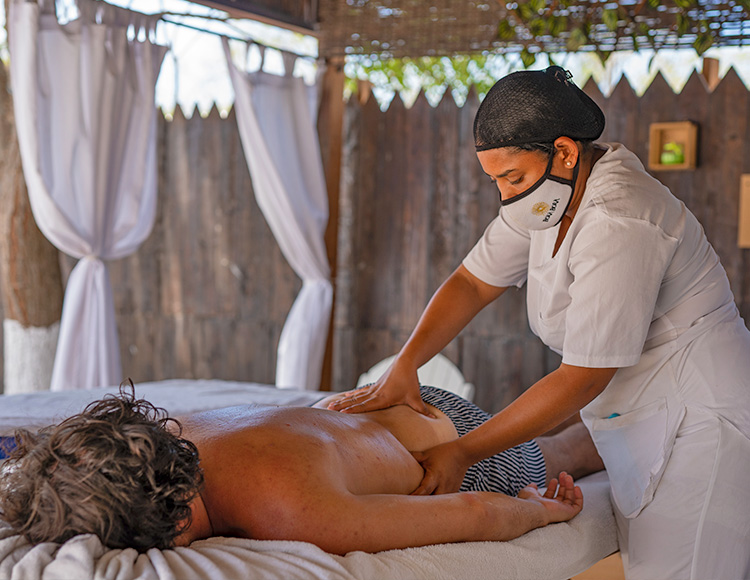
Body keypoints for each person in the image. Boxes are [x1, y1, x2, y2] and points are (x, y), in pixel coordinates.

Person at [328, 66, 750, 579]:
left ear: (565, 151)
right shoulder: (547, 196)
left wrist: (463, 452)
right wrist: (406, 363)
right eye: (495, 180)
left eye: (513, 178)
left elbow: (582, 378)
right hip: (633, 416)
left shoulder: (621, 219)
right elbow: (472, 282)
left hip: (699, 422)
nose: (506, 195)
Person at [0, 384, 604, 555]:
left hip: (447, 446)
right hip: (370, 407)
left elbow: (472, 511)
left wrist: (539, 511)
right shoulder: (170, 431)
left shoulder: (282, 509)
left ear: (177, 528)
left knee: (568, 453)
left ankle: (619, 412)